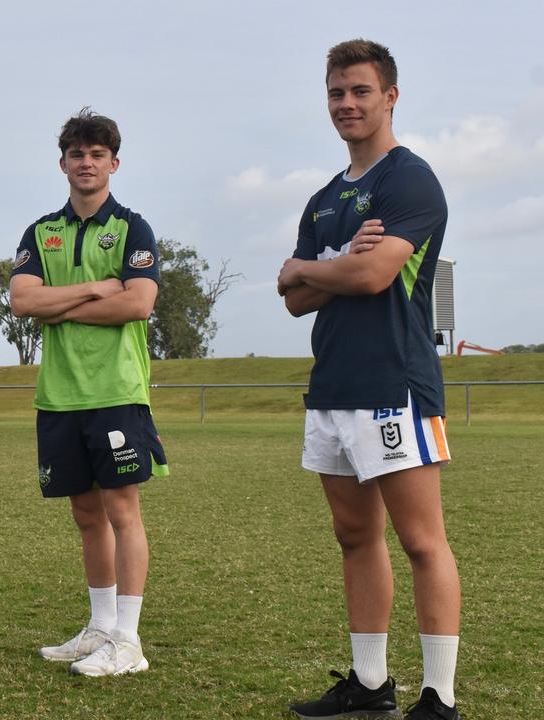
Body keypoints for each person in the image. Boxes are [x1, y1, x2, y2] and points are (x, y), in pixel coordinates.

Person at [278, 39, 461, 720]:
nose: (346, 104)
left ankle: (438, 698)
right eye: (335, 92)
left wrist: (312, 268)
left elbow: (370, 274)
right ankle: (370, 684)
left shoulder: (408, 180)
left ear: (389, 96)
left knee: (419, 540)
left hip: (394, 384)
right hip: (331, 388)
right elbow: (290, 297)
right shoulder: (325, 197)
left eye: (359, 91)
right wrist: (323, 267)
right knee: (354, 538)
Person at [9, 108, 168, 678]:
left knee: (123, 510)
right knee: (85, 513)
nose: (86, 163)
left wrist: (65, 299)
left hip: (116, 391)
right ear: (63, 163)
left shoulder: (132, 228)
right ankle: (99, 627)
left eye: (97, 154)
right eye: (77, 154)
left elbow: (138, 304)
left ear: (113, 163)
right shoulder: (41, 232)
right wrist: (99, 287)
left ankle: (128, 641)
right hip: (59, 395)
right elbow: (25, 303)